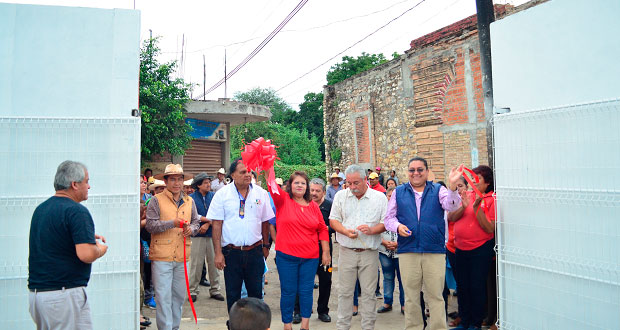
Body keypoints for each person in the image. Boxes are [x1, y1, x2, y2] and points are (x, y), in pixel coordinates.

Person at [383, 157, 463, 330]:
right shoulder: (399, 192)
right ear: (407, 172)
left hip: (434, 250)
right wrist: (398, 227)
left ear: (427, 172)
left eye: (420, 169)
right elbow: (388, 219)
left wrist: (452, 187)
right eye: (412, 170)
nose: (416, 173)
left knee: (435, 296)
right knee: (411, 296)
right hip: (408, 250)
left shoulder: (438, 190)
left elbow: (453, 205)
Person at [28, 160, 108, 329]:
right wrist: (99, 249)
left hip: (39, 294)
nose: (89, 186)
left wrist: (84, 236)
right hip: (63, 295)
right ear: (74, 184)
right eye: (86, 181)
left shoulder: (41, 210)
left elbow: (55, 241)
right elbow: (86, 254)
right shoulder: (77, 211)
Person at [207, 158, 274, 318]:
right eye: (243, 172)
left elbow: (265, 221)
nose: (248, 175)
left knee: (256, 295)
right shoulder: (222, 195)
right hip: (231, 253)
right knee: (233, 295)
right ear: (232, 175)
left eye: (250, 171)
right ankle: (234, 326)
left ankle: (257, 327)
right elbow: (217, 225)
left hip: (255, 251)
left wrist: (265, 246)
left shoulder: (261, 193)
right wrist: (218, 253)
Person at [329, 164, 388, 330]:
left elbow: (385, 223)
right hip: (346, 251)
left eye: (356, 183)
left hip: (369, 253)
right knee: (345, 293)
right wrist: (345, 232)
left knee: (369, 294)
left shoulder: (379, 198)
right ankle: (343, 327)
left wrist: (371, 230)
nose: (352, 187)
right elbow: (333, 220)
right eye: (349, 183)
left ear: (365, 180)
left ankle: (368, 327)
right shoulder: (341, 196)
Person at [269, 172, 330, 330]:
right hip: (287, 257)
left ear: (307, 187)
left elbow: (322, 229)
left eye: (303, 183)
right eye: (296, 183)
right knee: (288, 292)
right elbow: (271, 184)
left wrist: (325, 251)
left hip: (310, 258)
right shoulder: (283, 201)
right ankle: (287, 325)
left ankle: (305, 325)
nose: (300, 186)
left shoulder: (314, 207)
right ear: (290, 185)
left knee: (306, 291)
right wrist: (268, 164)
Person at [146, 164, 200, 330]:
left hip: (183, 256)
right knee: (163, 297)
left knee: (178, 296)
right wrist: (172, 223)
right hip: (162, 256)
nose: (177, 183)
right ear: (166, 181)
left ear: (184, 181)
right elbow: (150, 225)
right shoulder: (156, 200)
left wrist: (192, 229)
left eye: (180, 179)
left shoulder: (189, 201)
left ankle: (174, 327)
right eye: (173, 179)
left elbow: (196, 221)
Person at [448, 165, 495, 330]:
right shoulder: (465, 195)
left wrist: (476, 208)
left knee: (476, 287)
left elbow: (489, 229)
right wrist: (463, 206)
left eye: (478, 178)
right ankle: (465, 321)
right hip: (460, 249)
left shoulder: (491, 200)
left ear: (487, 183)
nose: (473, 181)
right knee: (463, 286)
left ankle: (475, 323)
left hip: (480, 250)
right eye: (472, 177)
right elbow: (451, 217)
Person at [292, 178, 335, 323]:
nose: (314, 193)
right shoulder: (302, 204)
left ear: (324, 192)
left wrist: (321, 229)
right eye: (312, 190)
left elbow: (334, 225)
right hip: (304, 249)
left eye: (318, 191)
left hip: (325, 250)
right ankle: (298, 311)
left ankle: (323, 311)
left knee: (326, 280)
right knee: (301, 280)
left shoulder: (330, 206)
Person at [188, 173, 225, 302]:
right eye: (205, 183)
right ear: (198, 185)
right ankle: (192, 290)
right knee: (196, 264)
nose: (208, 184)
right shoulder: (190, 198)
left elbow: (219, 213)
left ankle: (215, 289)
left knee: (214, 263)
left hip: (212, 234)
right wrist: (207, 221)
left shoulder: (214, 197)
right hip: (197, 235)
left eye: (209, 182)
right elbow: (192, 215)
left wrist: (208, 223)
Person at [377, 187, 405, 315]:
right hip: (384, 250)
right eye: (389, 195)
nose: (391, 198)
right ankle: (387, 302)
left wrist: (398, 243)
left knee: (403, 278)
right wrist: (384, 242)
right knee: (387, 277)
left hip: (401, 251)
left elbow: (411, 230)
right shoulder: (381, 212)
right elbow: (375, 229)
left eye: (394, 196)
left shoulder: (405, 212)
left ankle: (404, 304)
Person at [446, 177, 468, 328]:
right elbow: (449, 217)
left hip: (466, 248)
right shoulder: (450, 201)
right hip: (452, 247)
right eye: (455, 186)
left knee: (466, 284)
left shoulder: (472, 201)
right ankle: (462, 313)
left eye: (461, 186)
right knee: (459, 283)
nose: (458, 189)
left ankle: (465, 316)